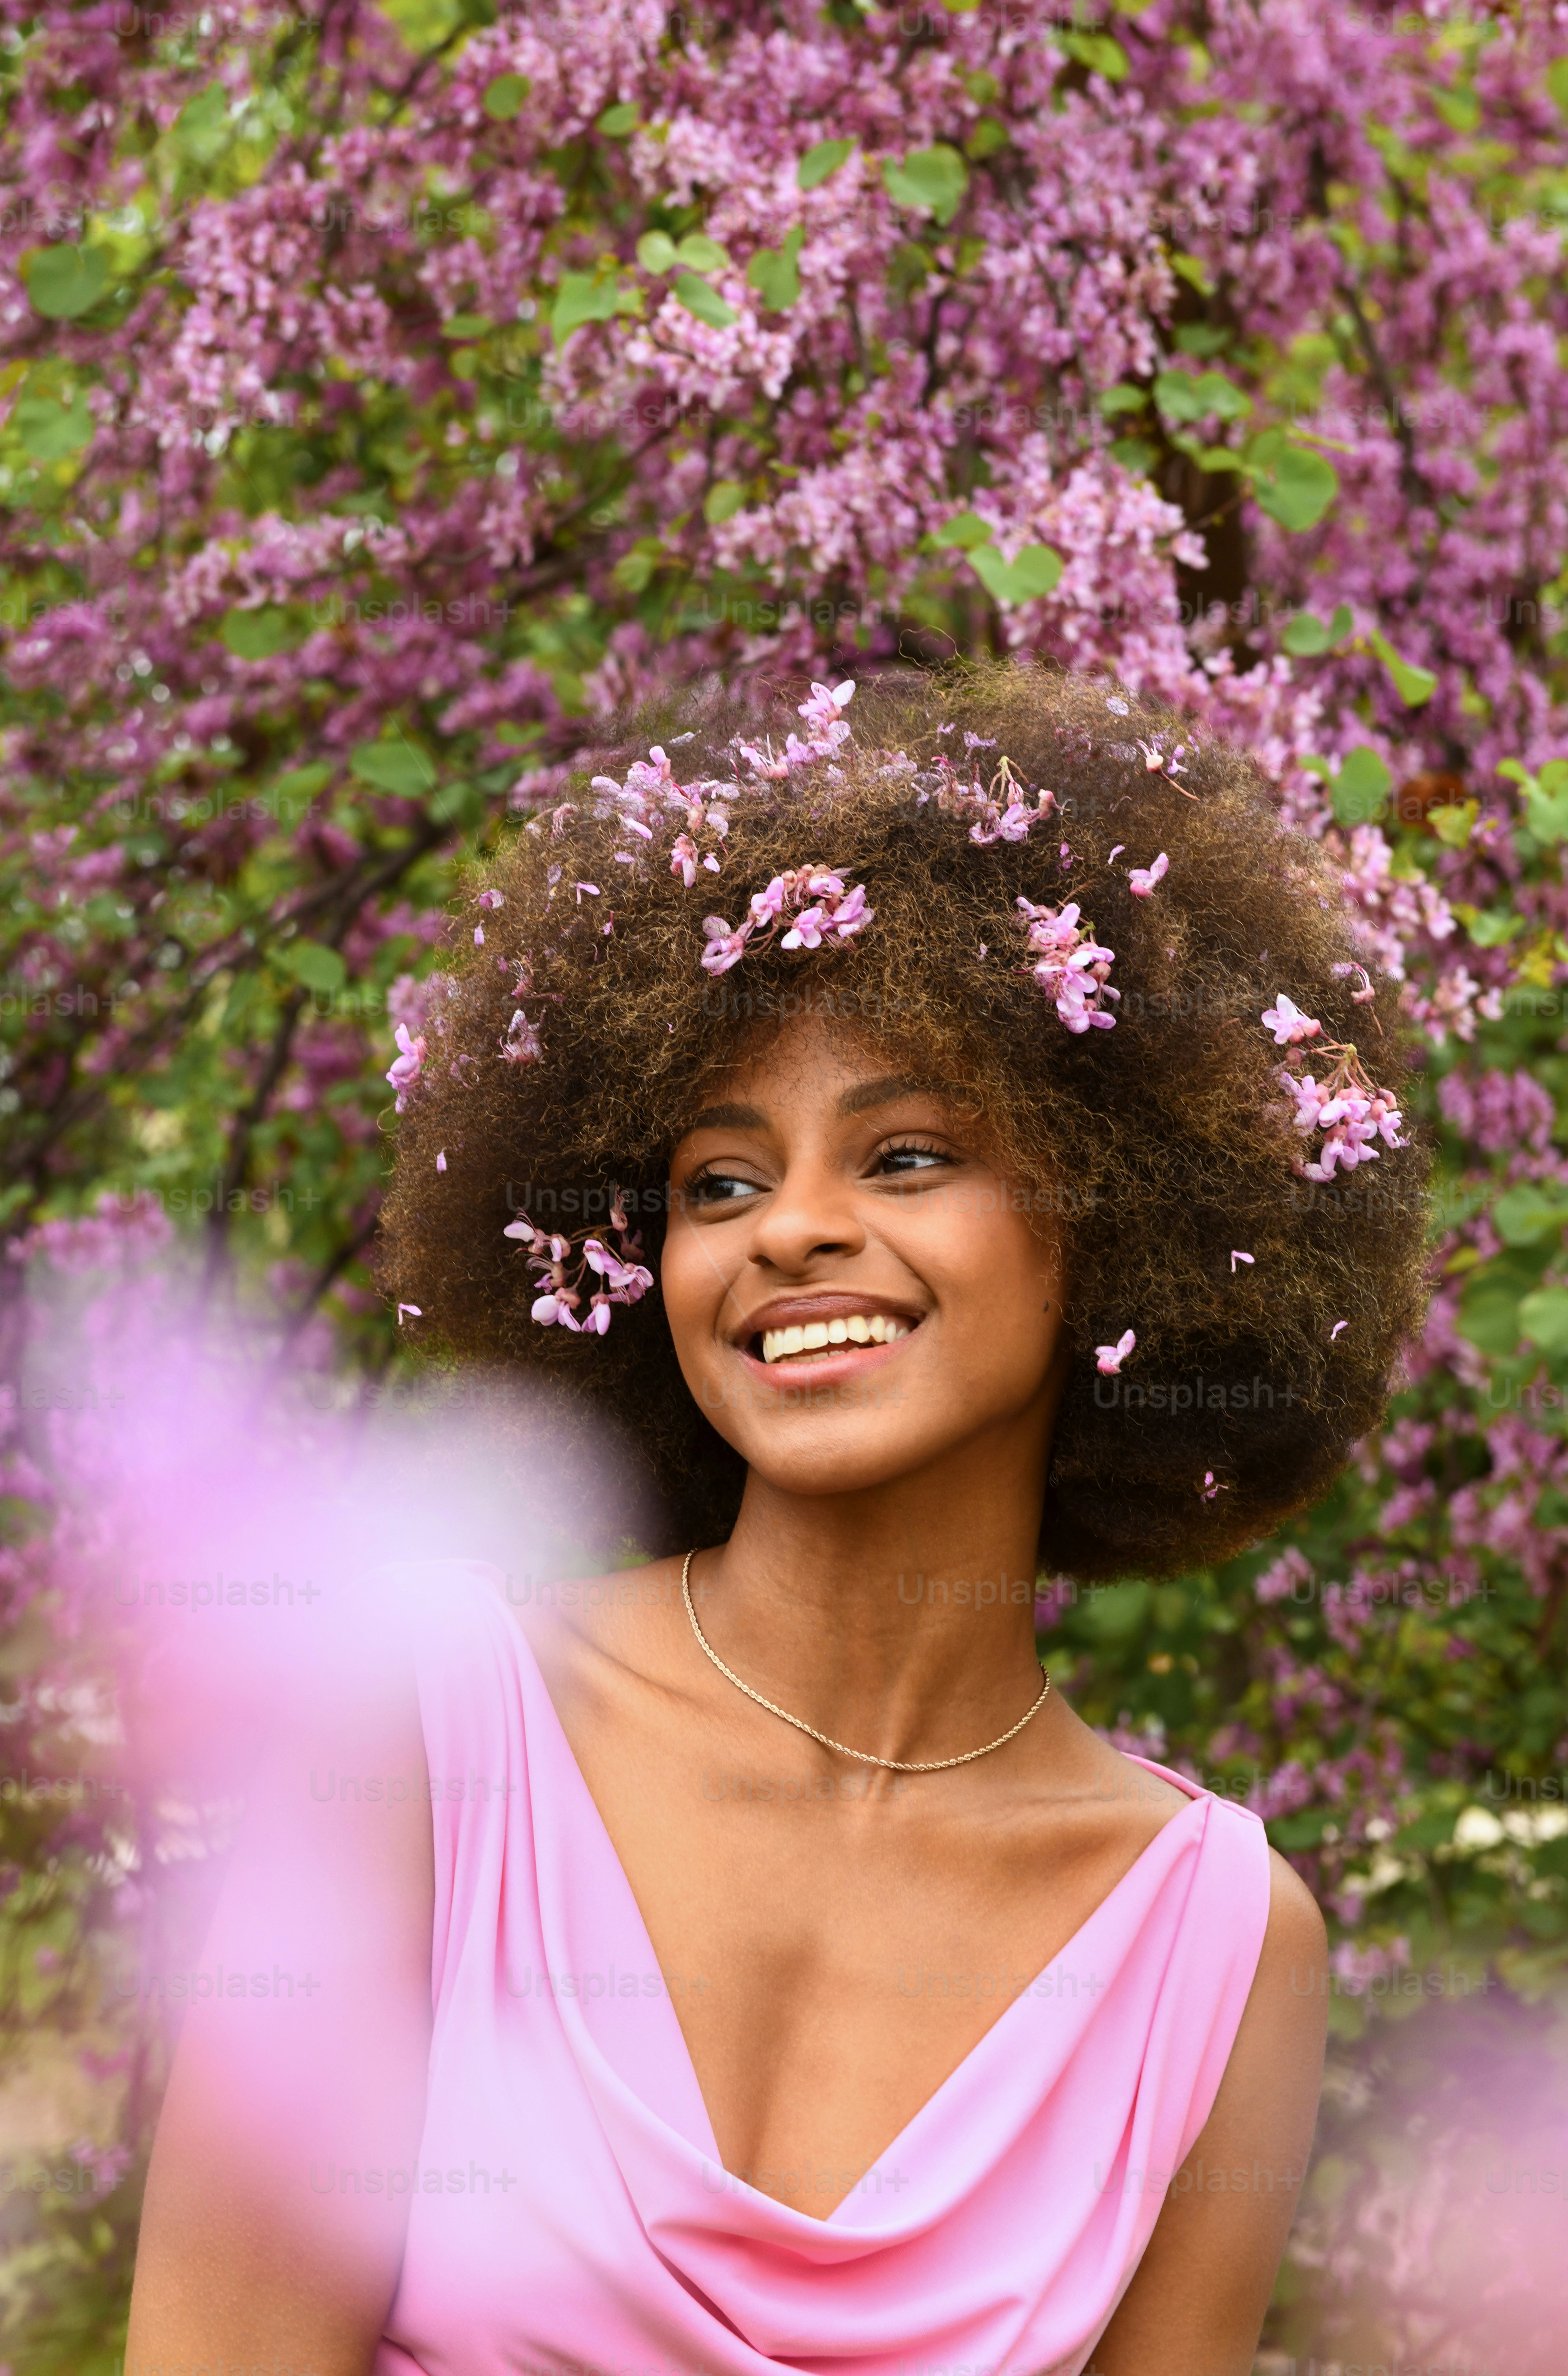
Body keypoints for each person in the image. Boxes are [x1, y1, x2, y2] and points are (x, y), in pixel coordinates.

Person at [126, 663, 1429, 2376]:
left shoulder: (1213, 1946)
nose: (790, 1230)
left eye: (902, 1159)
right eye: (719, 1182)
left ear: (1112, 1222)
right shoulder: (422, 1736)